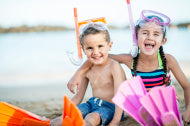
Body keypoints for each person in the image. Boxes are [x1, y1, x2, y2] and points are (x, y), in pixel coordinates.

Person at [67, 10, 190, 124]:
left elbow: (186, 86)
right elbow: (100, 56)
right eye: (145, 33)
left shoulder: (168, 60)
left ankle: (171, 118)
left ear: (163, 41)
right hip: (146, 105)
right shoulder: (130, 60)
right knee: (146, 111)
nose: (150, 37)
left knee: (167, 109)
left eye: (156, 34)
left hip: (168, 102)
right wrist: (78, 73)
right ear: (136, 37)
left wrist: (188, 109)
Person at [51, 21, 126, 126]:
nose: (95, 52)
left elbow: (120, 95)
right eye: (90, 48)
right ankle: (51, 123)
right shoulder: (87, 70)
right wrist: (64, 114)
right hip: (91, 104)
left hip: (111, 107)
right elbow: (78, 97)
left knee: (91, 117)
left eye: (100, 46)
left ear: (109, 46)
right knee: (71, 114)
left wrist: (116, 121)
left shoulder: (114, 67)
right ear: (83, 50)